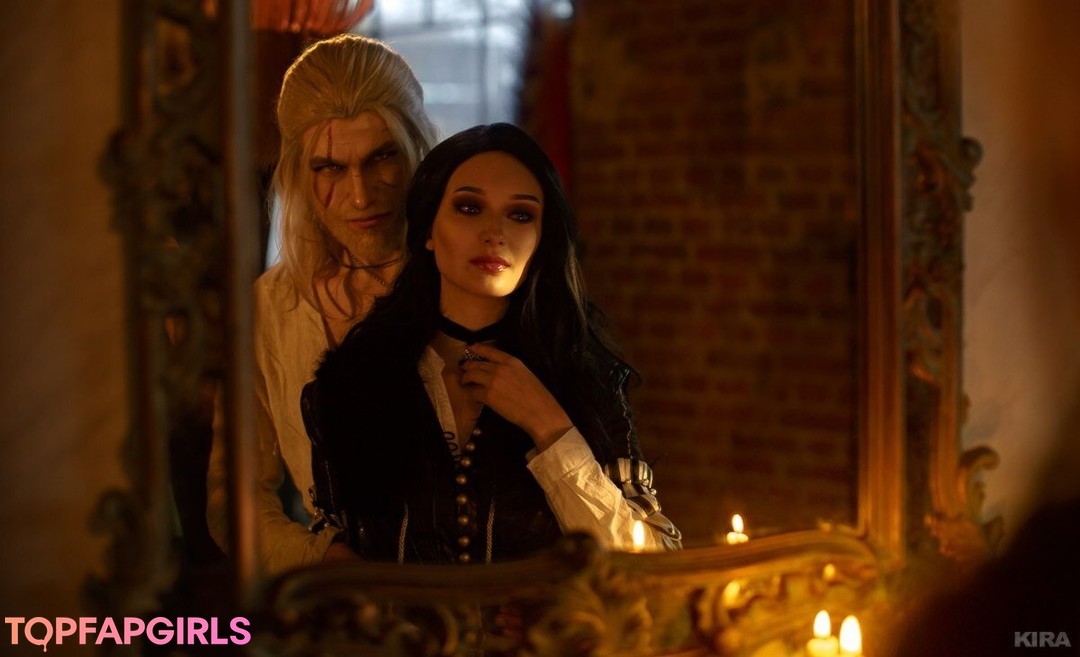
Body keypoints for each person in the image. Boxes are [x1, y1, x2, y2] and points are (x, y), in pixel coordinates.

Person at [300, 123, 681, 564]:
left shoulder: (588, 381)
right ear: (428, 229)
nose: (495, 232)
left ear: (542, 239)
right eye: (469, 207)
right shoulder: (352, 380)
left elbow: (653, 561)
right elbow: (335, 542)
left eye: (520, 215)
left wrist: (549, 426)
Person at [205, 34, 439, 574]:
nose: (360, 195)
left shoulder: (462, 279)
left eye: (382, 157)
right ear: (297, 175)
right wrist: (322, 558)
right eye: (330, 167)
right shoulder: (271, 308)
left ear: (417, 151)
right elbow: (233, 496)